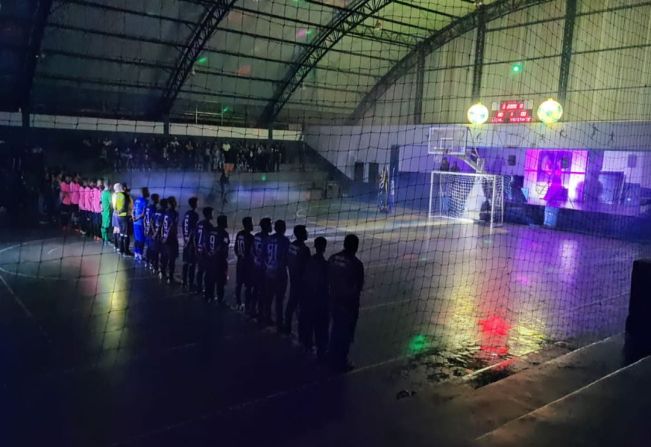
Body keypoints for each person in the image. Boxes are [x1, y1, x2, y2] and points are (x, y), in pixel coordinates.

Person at [328, 234, 364, 372]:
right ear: (355, 246)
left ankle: (331, 355)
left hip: (333, 300)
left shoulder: (333, 258)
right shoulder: (356, 264)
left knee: (335, 329)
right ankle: (342, 360)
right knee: (346, 333)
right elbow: (358, 287)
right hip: (347, 304)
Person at [302, 237, 330, 360]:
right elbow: (325, 283)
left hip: (308, 298)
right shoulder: (324, 264)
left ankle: (307, 344)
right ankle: (321, 350)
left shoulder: (309, 261)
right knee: (321, 327)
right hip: (320, 300)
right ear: (324, 247)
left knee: (309, 322)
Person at [265, 219, 290, 332]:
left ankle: (267, 317)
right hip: (279, 273)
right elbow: (286, 258)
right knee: (279, 300)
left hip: (269, 271)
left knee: (269, 297)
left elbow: (264, 254)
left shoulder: (269, 238)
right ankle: (279, 323)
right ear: (283, 228)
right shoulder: (285, 241)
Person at [285, 225, 311, 335]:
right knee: (302, 308)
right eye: (305, 231)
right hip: (301, 281)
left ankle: (287, 327)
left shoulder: (291, 245)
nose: (306, 233)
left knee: (292, 304)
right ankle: (302, 334)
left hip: (293, 277)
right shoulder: (304, 249)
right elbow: (308, 267)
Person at [252, 218, 272, 322]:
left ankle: (252, 309)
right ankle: (261, 313)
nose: (271, 226)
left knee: (256, 289)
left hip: (256, 266)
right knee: (264, 291)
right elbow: (267, 254)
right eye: (270, 225)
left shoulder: (256, 236)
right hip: (263, 269)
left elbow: (252, 251)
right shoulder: (268, 239)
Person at [234, 217, 255, 312]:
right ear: (248, 224)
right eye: (251, 223)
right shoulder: (250, 237)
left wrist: (239, 256)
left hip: (240, 262)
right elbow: (252, 252)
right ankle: (247, 305)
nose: (252, 225)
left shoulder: (239, 234)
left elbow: (235, 248)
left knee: (239, 283)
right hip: (247, 264)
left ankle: (238, 302)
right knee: (249, 285)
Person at [194, 207, 214, 295]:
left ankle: (199, 287)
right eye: (212, 213)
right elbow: (207, 240)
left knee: (200, 270)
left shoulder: (199, 224)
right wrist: (208, 252)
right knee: (208, 271)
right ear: (209, 214)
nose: (213, 215)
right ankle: (206, 289)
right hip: (205, 252)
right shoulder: (209, 226)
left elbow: (195, 237)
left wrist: (196, 248)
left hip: (198, 250)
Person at [181, 197, 199, 290]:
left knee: (185, 262)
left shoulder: (186, 214)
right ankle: (191, 283)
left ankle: (184, 282)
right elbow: (193, 229)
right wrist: (192, 243)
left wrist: (185, 239)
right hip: (191, 243)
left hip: (186, 241)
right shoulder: (195, 215)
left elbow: (183, 225)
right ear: (195, 204)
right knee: (192, 263)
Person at [161, 196, 179, 284]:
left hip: (164, 237)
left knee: (165, 256)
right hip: (171, 239)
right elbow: (171, 226)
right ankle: (170, 277)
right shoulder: (174, 213)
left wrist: (163, 236)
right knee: (172, 258)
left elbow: (163, 226)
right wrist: (167, 237)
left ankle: (162, 273)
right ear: (173, 203)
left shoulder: (166, 212)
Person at [113, 183, 133, 256]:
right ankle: (126, 251)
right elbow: (128, 207)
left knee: (121, 233)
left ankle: (121, 250)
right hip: (125, 216)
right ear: (124, 188)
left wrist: (119, 212)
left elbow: (115, 207)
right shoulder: (126, 196)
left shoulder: (118, 195)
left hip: (119, 216)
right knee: (126, 234)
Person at [132, 187, 149, 262]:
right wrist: (137, 218)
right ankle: (140, 255)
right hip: (141, 223)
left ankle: (136, 254)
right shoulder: (145, 201)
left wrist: (133, 218)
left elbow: (133, 210)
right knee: (141, 239)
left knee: (136, 239)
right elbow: (143, 213)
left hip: (135, 223)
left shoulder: (137, 200)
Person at [151, 198, 167, 273]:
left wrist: (154, 232)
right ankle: (162, 270)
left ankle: (154, 267)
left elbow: (151, 222)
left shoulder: (156, 211)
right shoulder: (165, 213)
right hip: (161, 236)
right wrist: (156, 233)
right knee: (163, 253)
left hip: (155, 236)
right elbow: (161, 225)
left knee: (155, 252)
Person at [144, 193, 159, 268]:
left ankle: (147, 262)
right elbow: (151, 221)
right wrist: (154, 233)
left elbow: (145, 219)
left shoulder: (148, 207)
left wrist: (145, 228)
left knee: (149, 247)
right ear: (156, 199)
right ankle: (152, 263)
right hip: (151, 231)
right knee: (153, 248)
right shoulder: (154, 208)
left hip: (147, 230)